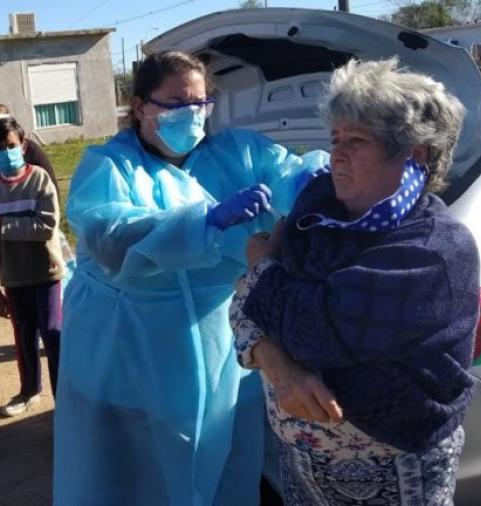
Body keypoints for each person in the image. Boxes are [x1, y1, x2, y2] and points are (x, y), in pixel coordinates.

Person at [53, 50, 329, 505]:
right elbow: (109, 236)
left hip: (223, 346)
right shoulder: (110, 165)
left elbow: (291, 175)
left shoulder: (238, 152)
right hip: (132, 355)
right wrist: (203, 222)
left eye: (201, 103)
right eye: (177, 104)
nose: (193, 115)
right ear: (140, 106)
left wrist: (317, 183)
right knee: (132, 477)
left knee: (230, 468)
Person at [230, 57, 479, 505]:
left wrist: (263, 267)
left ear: (414, 154)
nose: (336, 154)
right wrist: (278, 365)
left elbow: (317, 332)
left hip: (395, 471)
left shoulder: (435, 250)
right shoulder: (316, 216)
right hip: (302, 465)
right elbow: (242, 307)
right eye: (335, 139)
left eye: (357, 141)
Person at [0, 117, 65, 417]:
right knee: (23, 337)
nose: (6, 152)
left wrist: (2, 223)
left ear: (23, 146)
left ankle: (65, 398)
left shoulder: (39, 179)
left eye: (11, 146)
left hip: (46, 272)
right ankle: (29, 391)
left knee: (53, 333)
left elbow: (46, 226)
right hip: (14, 278)